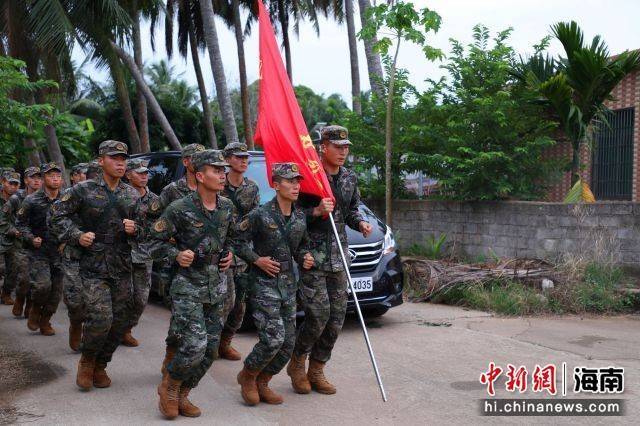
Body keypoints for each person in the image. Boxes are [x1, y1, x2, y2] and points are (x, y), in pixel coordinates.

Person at [147, 149, 235, 419]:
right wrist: (176, 255)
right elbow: (152, 242)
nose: (223, 175)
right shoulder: (179, 208)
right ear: (199, 175)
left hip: (216, 287)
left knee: (209, 350)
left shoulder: (227, 207)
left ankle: (184, 394)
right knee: (194, 345)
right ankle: (170, 386)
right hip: (187, 287)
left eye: (223, 170)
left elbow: (231, 238)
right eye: (216, 170)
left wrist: (230, 254)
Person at [288, 125, 373, 395]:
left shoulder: (349, 177)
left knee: (336, 318)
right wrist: (315, 211)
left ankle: (318, 368)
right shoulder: (308, 177)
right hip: (314, 257)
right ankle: (298, 362)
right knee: (317, 316)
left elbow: (352, 209)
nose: (343, 152)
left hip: (339, 259)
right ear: (323, 147)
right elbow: (292, 215)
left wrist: (360, 223)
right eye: (338, 147)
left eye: (346, 147)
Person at [50, 140, 139, 391]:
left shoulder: (131, 194)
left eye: (123, 158)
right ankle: (87, 361)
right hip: (92, 265)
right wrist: (76, 234)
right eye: (114, 158)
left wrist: (136, 228)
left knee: (121, 321)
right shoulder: (83, 190)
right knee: (101, 318)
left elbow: (149, 228)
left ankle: (102, 364)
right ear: (101, 161)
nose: (120, 163)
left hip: (122, 264)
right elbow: (56, 216)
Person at [235, 162, 314, 405]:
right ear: (275, 184)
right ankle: (248, 376)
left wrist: (305, 257)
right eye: (289, 181)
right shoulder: (260, 214)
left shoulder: (300, 215)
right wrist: (256, 260)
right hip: (263, 285)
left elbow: (302, 246)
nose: (295, 186)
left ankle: (264, 381)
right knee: (273, 338)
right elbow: (237, 241)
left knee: (288, 342)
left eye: (297, 181)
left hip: (288, 286)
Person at [149, 143, 206, 375]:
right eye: (196, 157)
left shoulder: (212, 190)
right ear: (186, 162)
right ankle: (172, 355)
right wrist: (172, 244)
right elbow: (153, 221)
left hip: (205, 267)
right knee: (180, 317)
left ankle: (192, 358)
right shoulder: (172, 191)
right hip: (176, 267)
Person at [219, 142, 260, 361]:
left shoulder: (251, 188)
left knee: (240, 305)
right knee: (225, 302)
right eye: (238, 157)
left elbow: (255, 218)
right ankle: (212, 343)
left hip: (243, 253)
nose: (243, 160)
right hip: (223, 252)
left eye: (245, 157)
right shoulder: (217, 184)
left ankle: (226, 342)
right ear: (227, 160)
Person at [15, 163, 64, 336]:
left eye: (58, 176)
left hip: (60, 252)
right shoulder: (31, 200)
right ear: (43, 179)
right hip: (39, 251)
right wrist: (30, 238)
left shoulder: (67, 199)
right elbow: (20, 224)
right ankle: (35, 307)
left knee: (57, 292)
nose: (55, 179)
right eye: (51, 176)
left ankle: (45, 320)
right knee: (43, 286)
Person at [122, 158, 158, 347]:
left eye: (146, 173)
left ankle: (127, 328)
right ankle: (115, 330)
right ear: (128, 175)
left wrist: (138, 229)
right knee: (120, 296)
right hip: (120, 254)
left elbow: (160, 227)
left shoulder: (155, 200)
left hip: (144, 254)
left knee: (141, 298)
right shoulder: (120, 195)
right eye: (139, 173)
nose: (144, 176)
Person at [0, 167, 42, 318]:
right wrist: (15, 231)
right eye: (33, 177)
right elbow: (3, 220)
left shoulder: (47, 198)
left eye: (39, 177)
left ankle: (29, 306)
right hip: (16, 241)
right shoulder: (17, 199)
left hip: (38, 243)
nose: (37, 180)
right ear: (26, 180)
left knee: (36, 280)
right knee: (22, 276)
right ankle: (18, 297)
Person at [58, 165, 88, 351]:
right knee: (76, 299)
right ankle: (76, 325)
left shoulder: (118, 194)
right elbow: (55, 218)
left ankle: (92, 344)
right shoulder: (71, 193)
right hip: (75, 253)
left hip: (102, 257)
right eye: (84, 174)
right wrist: (69, 237)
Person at [0, 171, 20, 305]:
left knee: (14, 268)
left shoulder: (21, 199)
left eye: (16, 184)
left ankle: (6, 293)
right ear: (3, 182)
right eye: (10, 183)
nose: (13, 186)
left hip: (14, 240)